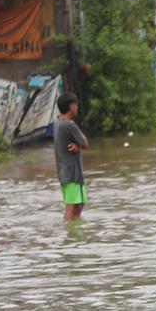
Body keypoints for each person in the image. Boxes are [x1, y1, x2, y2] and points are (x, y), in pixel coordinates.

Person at [53, 92, 89, 222]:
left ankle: (73, 228)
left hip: (64, 171)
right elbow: (85, 143)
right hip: (73, 172)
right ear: (72, 106)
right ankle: (69, 231)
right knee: (72, 205)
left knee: (78, 204)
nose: (77, 107)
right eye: (76, 105)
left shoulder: (58, 123)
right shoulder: (70, 125)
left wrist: (77, 147)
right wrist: (79, 146)